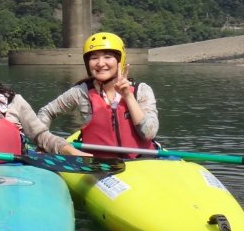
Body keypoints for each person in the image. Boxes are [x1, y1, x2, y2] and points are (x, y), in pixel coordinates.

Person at [32, 31, 158, 159]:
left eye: (107, 57)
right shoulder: (81, 92)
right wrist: (43, 142)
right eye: (94, 58)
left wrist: (128, 96)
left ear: (120, 61)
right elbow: (47, 112)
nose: (100, 63)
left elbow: (148, 133)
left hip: (142, 162)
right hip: (97, 164)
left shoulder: (141, 90)